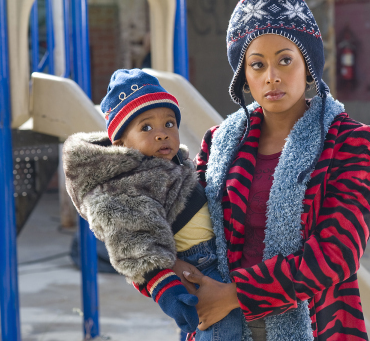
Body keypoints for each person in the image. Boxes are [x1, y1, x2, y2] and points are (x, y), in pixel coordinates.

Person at [179, 0, 370, 341]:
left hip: (316, 326)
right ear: (245, 78)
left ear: (308, 66)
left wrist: (235, 295)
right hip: (221, 327)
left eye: (284, 60)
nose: (271, 75)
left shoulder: (351, 143)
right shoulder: (217, 143)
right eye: (257, 65)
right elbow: (187, 229)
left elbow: (337, 254)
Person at [62, 69, 242, 340]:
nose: (161, 134)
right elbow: (135, 245)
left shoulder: (173, 164)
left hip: (214, 256)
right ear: (120, 142)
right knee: (222, 327)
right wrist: (168, 290)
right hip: (197, 263)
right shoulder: (125, 184)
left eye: (169, 124)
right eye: (146, 127)